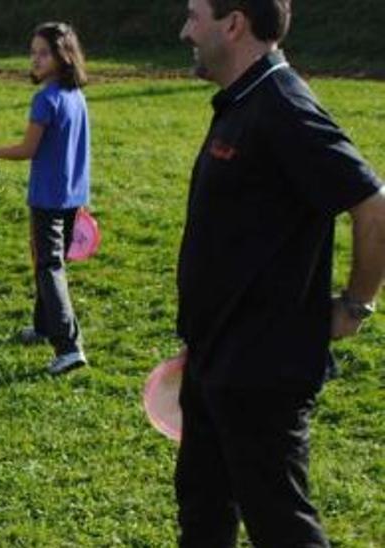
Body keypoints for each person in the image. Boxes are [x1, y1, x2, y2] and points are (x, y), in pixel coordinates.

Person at [174, 0, 385, 544]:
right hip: (213, 357)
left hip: (262, 368)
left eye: (195, 16)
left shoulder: (283, 105)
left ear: (235, 23)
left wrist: (356, 305)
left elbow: (374, 206)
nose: (184, 31)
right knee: (202, 513)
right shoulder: (242, 99)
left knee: (281, 526)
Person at [0, 22, 90, 375]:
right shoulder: (77, 97)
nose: (36, 59)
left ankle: (69, 347)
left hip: (47, 199)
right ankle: (44, 327)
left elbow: (29, 149)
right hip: (73, 196)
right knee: (49, 262)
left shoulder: (45, 100)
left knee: (48, 265)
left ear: (63, 56)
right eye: (33, 52)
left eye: (44, 53)